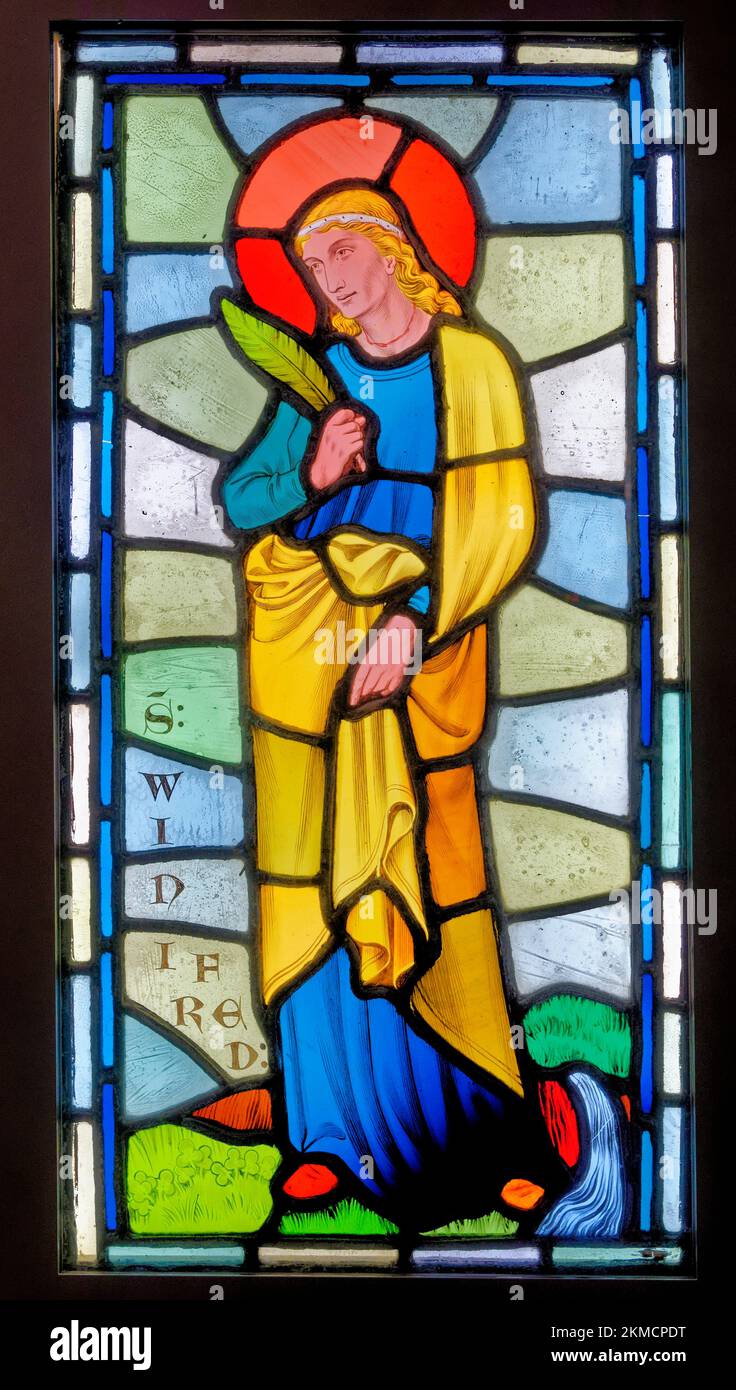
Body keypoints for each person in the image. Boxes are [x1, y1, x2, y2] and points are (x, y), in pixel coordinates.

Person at [221, 187, 563, 1228]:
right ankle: (323, 1133)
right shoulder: (313, 380)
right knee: (318, 876)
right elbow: (244, 502)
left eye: (340, 252)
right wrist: (312, 467)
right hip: (309, 665)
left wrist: (416, 615)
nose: (328, 276)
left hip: (423, 652)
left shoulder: (472, 366)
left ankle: (482, 1131)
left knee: (435, 875)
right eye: (310, 262)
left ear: (395, 249)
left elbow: (501, 514)